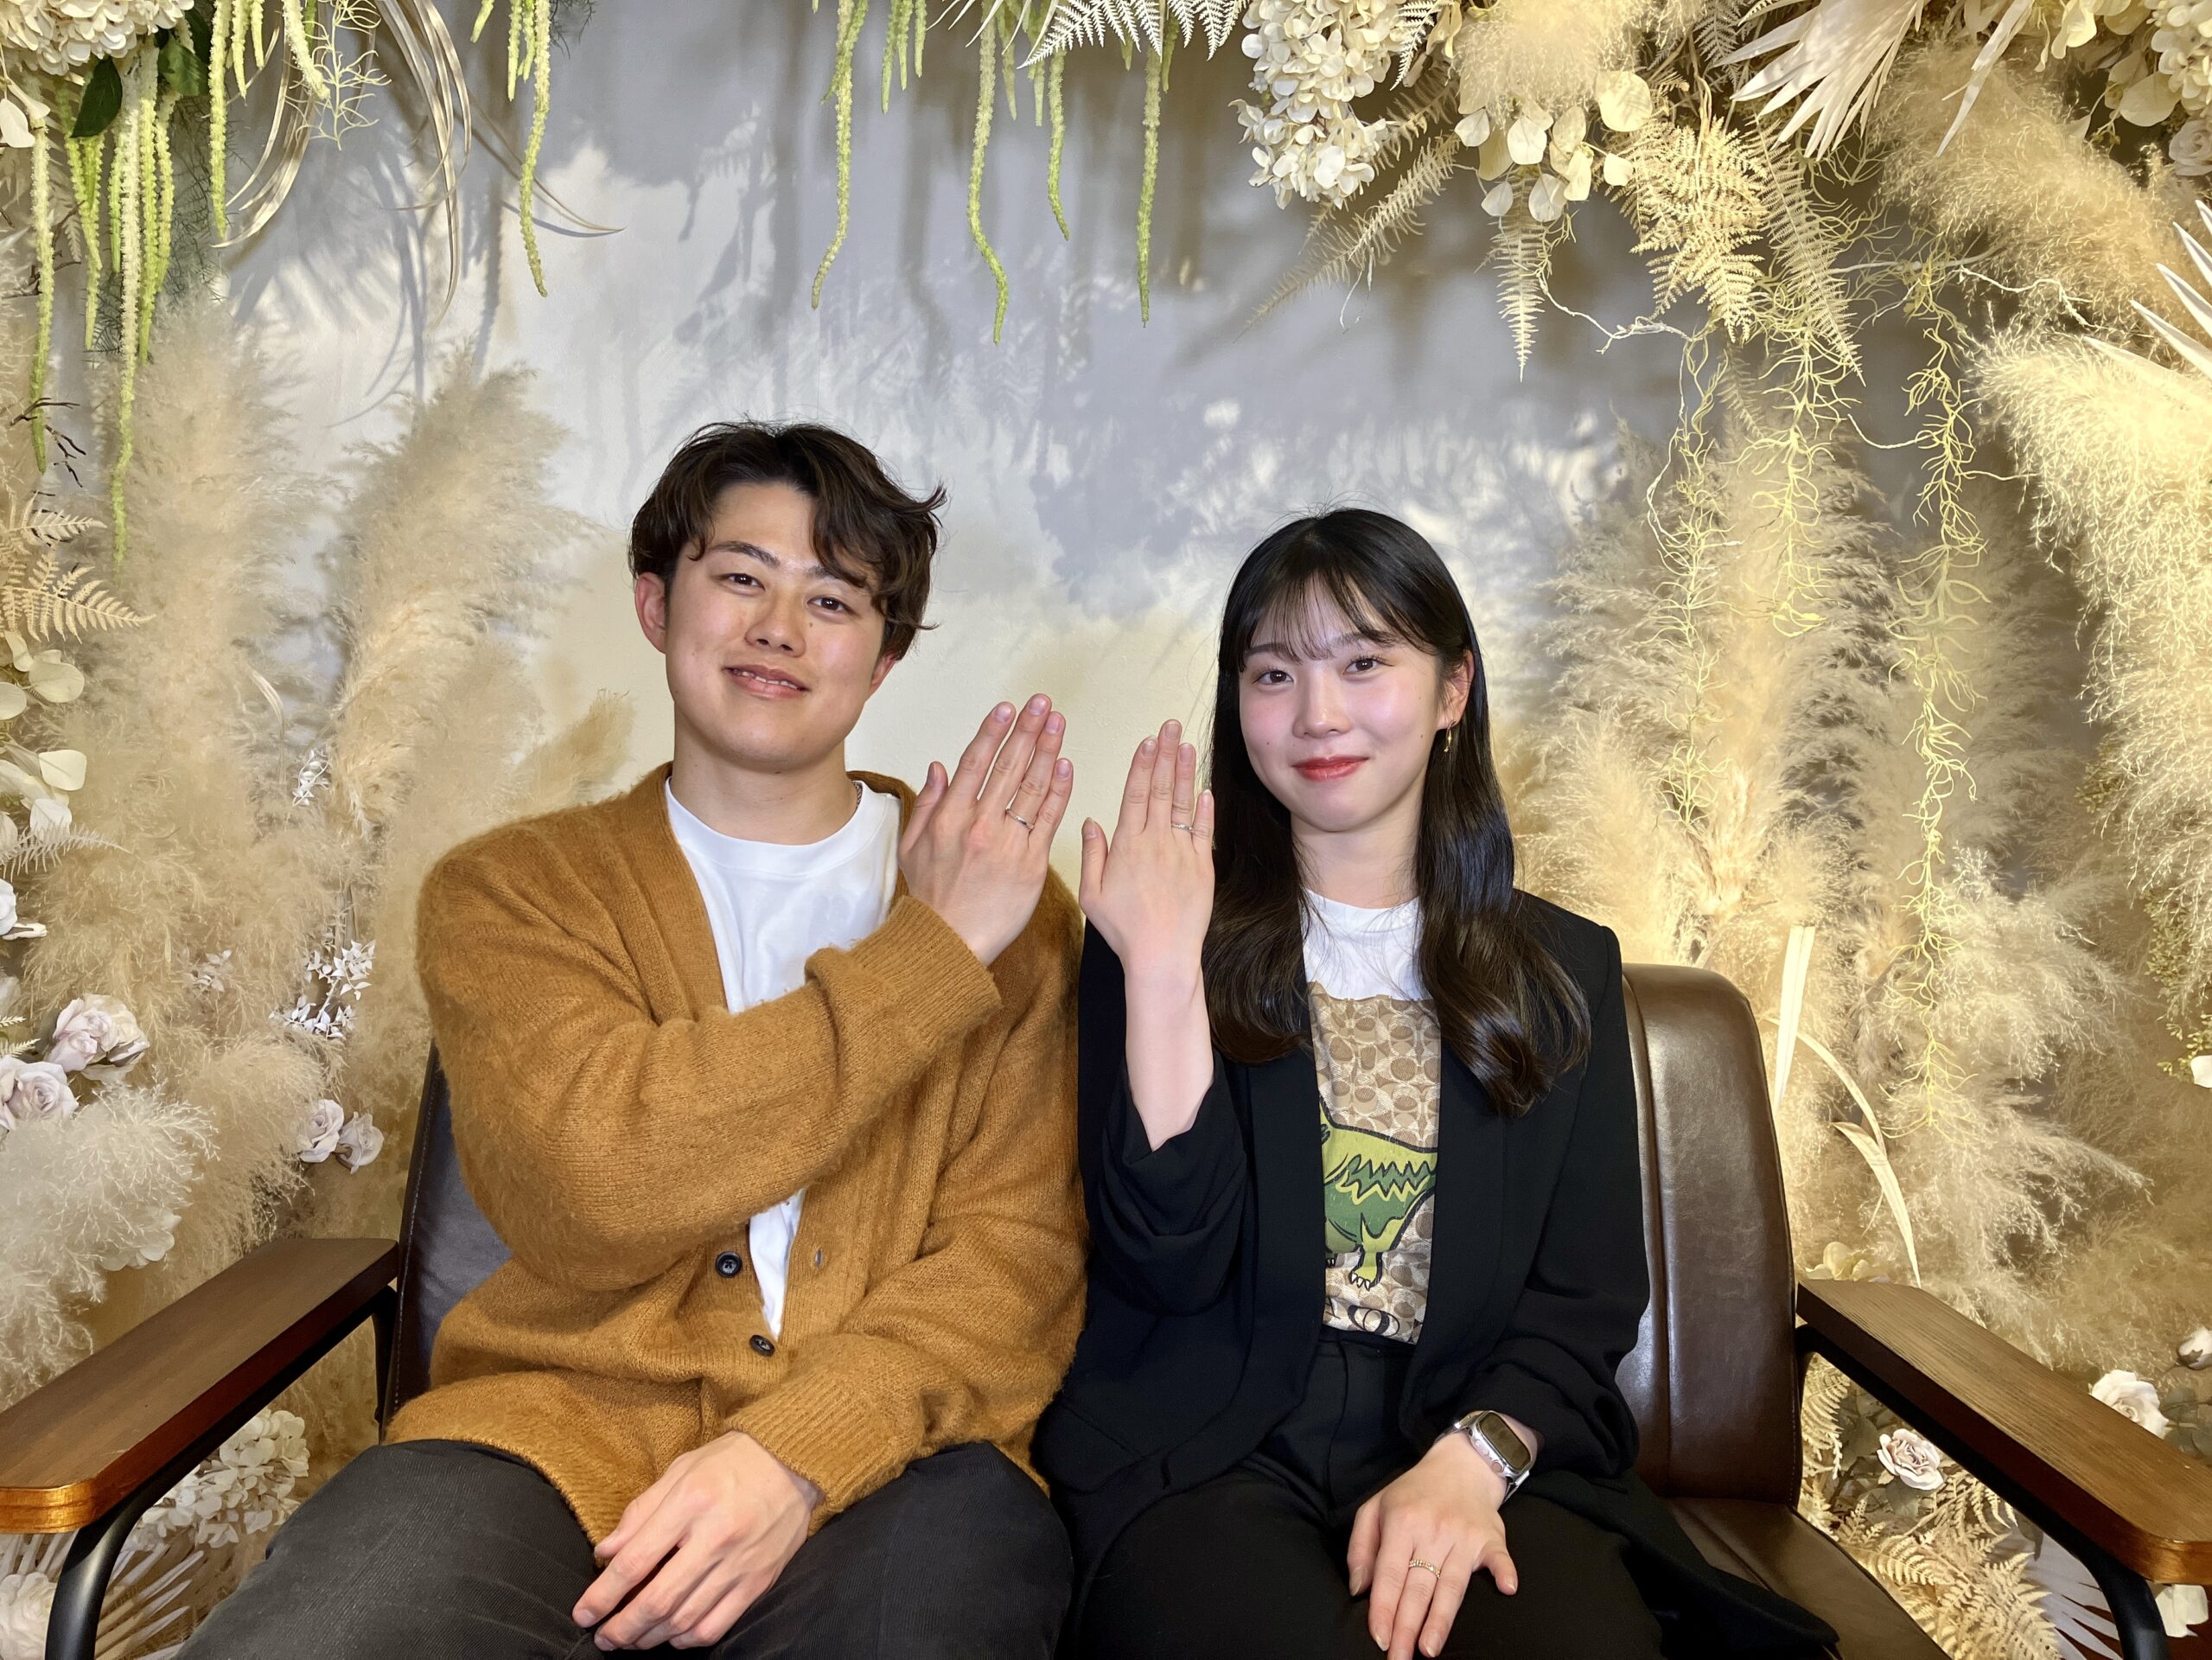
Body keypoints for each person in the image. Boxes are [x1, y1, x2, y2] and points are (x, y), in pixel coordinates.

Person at [181, 423, 1087, 1658]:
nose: (780, 628)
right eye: (741, 577)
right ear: (658, 606)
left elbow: (1016, 1263)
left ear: (884, 659)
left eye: (833, 599)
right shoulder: (512, 893)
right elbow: (592, 1187)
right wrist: (930, 957)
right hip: (544, 1441)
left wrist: (795, 1452)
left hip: (895, 1463)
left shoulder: (1016, 911)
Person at [1035, 508, 1835, 1660]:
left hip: (1473, 1431)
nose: (1318, 714)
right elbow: (1166, 1263)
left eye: (1365, 663)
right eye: (1274, 673)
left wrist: (1476, 1463)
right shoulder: (1156, 929)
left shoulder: (1562, 971)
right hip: (1214, 1446)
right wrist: (1162, 972)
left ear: (1453, 689)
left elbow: (1583, 1305)